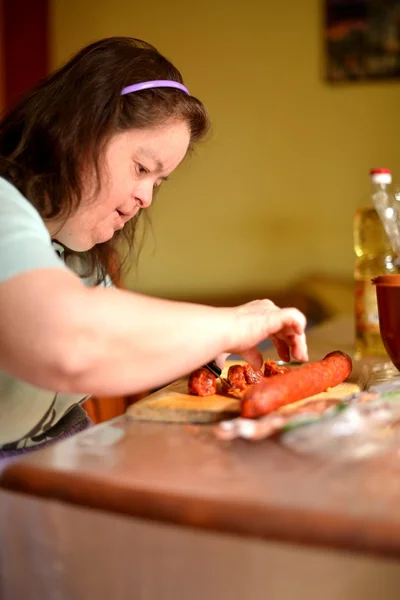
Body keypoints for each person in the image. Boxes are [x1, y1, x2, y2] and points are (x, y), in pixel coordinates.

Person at [0, 36, 308, 458]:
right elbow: (70, 343)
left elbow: (115, 341)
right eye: (141, 168)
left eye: (158, 182)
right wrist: (233, 324)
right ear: (78, 132)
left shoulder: (73, 255)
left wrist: (202, 345)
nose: (146, 198)